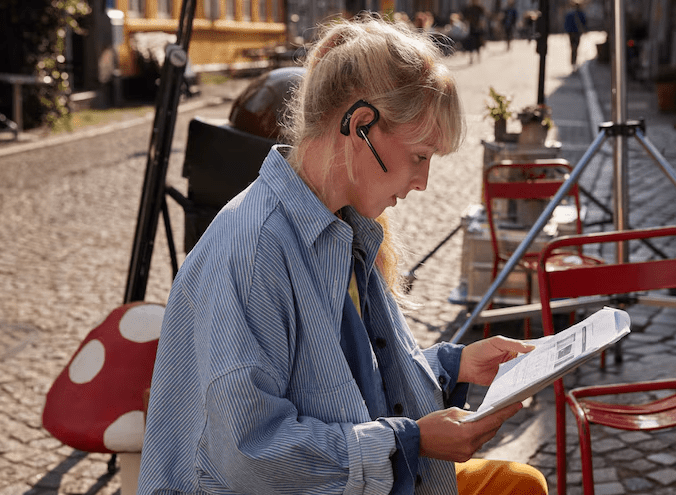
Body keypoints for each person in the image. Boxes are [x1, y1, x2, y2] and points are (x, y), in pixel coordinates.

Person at [138, 15, 548, 495]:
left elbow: (352, 379)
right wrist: (412, 441)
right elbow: (249, 457)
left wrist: (456, 364)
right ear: (359, 126)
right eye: (420, 156)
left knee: (518, 484)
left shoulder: (342, 226)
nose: (423, 182)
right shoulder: (256, 252)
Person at [564, 1, 587, 68]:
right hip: (577, 32)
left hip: (571, 32)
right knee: (576, 46)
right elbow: (584, 22)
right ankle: (574, 60)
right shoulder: (580, 14)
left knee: (572, 46)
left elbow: (566, 24)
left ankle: (573, 60)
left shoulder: (570, 14)